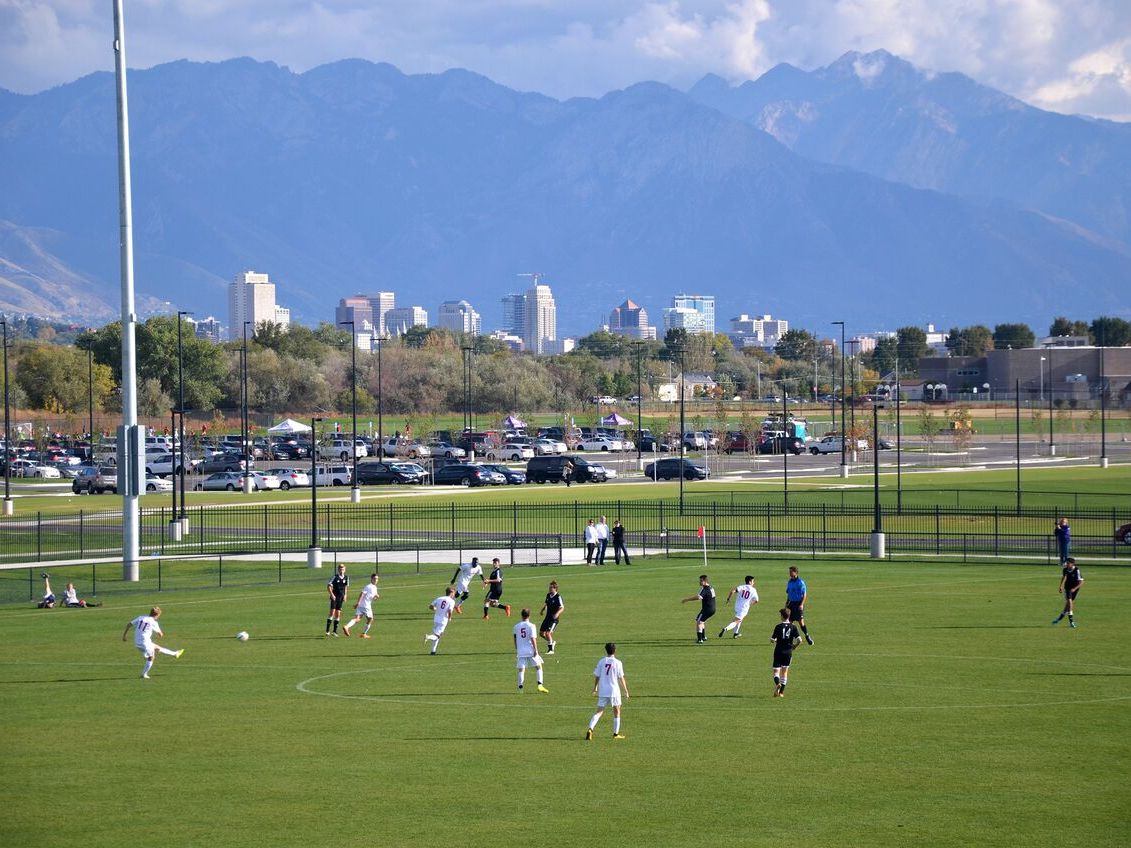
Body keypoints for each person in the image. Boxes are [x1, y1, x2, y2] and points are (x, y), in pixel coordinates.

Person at [122, 606, 184, 679]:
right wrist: (160, 633)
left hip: (137, 641)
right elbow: (160, 634)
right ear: (157, 615)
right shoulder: (154, 622)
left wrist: (124, 636)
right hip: (145, 642)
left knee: (157, 647)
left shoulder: (141, 617)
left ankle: (175, 654)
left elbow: (129, 624)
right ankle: (144, 674)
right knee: (151, 657)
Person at [586, 642, 630, 740]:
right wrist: (626, 691)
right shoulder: (618, 662)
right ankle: (615, 734)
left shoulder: (602, 661)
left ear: (606, 650)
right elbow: (621, 678)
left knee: (599, 712)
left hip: (603, 691)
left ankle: (590, 729)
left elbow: (597, 676)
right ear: (615, 650)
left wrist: (595, 687)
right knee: (617, 711)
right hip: (614, 691)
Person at [513, 609, 549, 693]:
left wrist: (517, 648)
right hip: (530, 651)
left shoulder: (516, 626)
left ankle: (520, 688)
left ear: (521, 615)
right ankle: (540, 685)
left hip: (521, 651)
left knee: (521, 670)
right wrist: (536, 650)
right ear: (529, 616)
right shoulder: (531, 626)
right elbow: (533, 638)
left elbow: (515, 638)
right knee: (538, 667)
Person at [770, 608, 801, 697]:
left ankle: (777, 684)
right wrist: (794, 646)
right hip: (788, 652)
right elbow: (799, 640)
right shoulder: (793, 627)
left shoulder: (778, 626)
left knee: (776, 672)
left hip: (778, 651)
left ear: (782, 616)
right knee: (784, 672)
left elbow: (772, 639)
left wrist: (773, 640)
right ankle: (781, 692)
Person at [342, 573, 380, 638]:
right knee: (370, 619)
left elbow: (372, 597)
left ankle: (346, 626)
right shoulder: (368, 586)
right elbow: (362, 594)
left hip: (362, 605)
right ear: (371, 579)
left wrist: (376, 597)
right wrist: (358, 603)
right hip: (366, 606)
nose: (376, 580)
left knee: (357, 618)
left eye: (377, 579)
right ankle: (364, 634)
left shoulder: (375, 587)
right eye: (374, 579)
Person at [682, 574, 716, 644]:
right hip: (712, 608)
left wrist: (687, 599)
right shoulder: (711, 587)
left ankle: (700, 639)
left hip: (707, 609)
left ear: (705, 581)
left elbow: (699, 597)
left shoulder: (705, 589)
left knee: (699, 622)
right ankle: (703, 637)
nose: (699, 582)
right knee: (701, 621)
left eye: (701, 581)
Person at [785, 566, 813, 645]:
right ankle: (792, 638)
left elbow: (804, 595)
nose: (789, 573)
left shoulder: (800, 582)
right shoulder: (789, 582)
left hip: (798, 604)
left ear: (795, 572)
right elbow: (789, 594)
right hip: (791, 604)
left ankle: (807, 636)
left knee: (801, 622)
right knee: (789, 622)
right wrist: (786, 603)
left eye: (791, 572)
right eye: (789, 572)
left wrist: (801, 604)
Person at [1053, 557, 1084, 628]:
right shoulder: (1065, 570)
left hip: (1075, 589)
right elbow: (1064, 577)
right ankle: (1071, 622)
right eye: (1066, 563)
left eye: (1068, 563)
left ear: (1072, 564)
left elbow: (1082, 582)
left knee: (1067, 606)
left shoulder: (1077, 570)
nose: (1066, 564)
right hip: (1067, 588)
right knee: (1070, 602)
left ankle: (1059, 618)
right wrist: (1060, 586)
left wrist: (1075, 588)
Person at [424, 587, 456, 654]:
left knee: (436, 635)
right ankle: (428, 637)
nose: (454, 594)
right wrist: (450, 618)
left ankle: (433, 651)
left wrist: (436, 609)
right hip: (443, 620)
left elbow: (430, 606)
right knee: (437, 636)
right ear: (451, 593)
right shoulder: (451, 601)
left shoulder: (439, 598)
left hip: (436, 619)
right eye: (454, 593)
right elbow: (450, 610)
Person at [539, 580, 565, 654]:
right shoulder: (548, 595)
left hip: (554, 619)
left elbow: (562, 607)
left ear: (555, 588)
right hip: (547, 618)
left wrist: (557, 614)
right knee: (541, 633)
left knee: (548, 633)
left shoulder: (558, 597)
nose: (549, 589)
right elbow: (546, 603)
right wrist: (542, 610)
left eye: (551, 588)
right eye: (549, 587)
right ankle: (552, 642)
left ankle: (551, 650)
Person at [325, 563, 349, 636]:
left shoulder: (346, 577)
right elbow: (328, 586)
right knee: (332, 612)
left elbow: (345, 587)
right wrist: (332, 595)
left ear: (345, 570)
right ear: (338, 570)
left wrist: (345, 595)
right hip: (334, 597)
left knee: (338, 614)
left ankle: (334, 632)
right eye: (340, 569)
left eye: (343, 569)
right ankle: (327, 631)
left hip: (340, 598)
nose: (341, 570)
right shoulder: (335, 577)